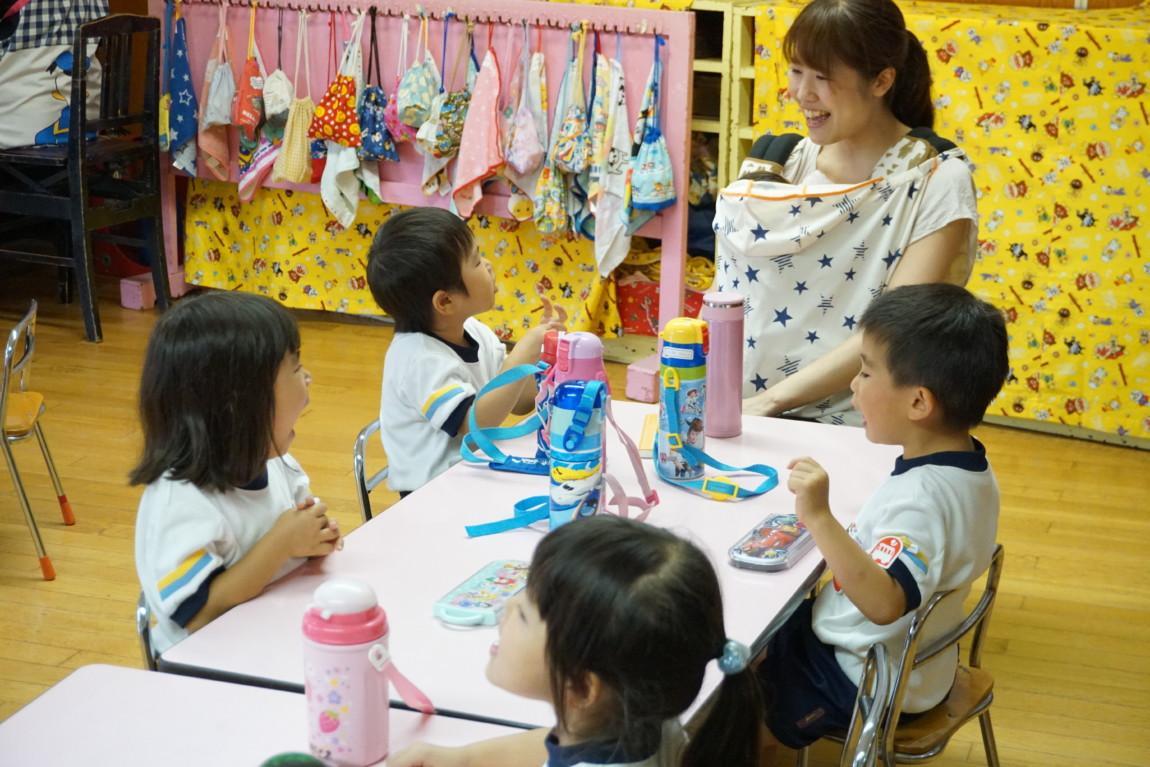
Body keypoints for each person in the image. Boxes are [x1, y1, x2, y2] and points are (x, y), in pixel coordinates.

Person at [756, 283, 1008, 756]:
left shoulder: (920, 500)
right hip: (919, 663)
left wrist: (818, 516)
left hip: (867, 673)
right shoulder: (971, 466)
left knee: (748, 699)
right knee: (763, 636)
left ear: (918, 403)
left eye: (866, 373)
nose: (853, 385)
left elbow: (884, 603)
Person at [714, 0, 978, 425]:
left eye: (822, 77)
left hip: (861, 421)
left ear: (882, 81)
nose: (803, 93)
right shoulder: (785, 163)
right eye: (797, 71)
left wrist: (769, 403)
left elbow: (893, 327)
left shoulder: (934, 179)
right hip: (744, 406)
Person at [391, 515, 764, 767]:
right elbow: (556, 745)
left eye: (524, 614)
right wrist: (463, 760)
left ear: (583, 687)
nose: (508, 605)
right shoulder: (648, 721)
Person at [132, 292, 342, 656]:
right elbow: (198, 614)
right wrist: (284, 542)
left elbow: (294, 539)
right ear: (239, 403)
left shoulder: (277, 465)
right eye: (294, 367)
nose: (307, 377)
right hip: (207, 672)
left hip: (270, 638)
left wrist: (314, 538)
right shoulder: (180, 502)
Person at [368, 207, 565, 495]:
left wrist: (542, 357)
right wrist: (525, 349)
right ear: (445, 302)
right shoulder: (417, 359)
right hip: (431, 495)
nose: (487, 265)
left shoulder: (473, 330)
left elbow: (518, 402)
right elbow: (475, 425)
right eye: (475, 261)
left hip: (472, 473)